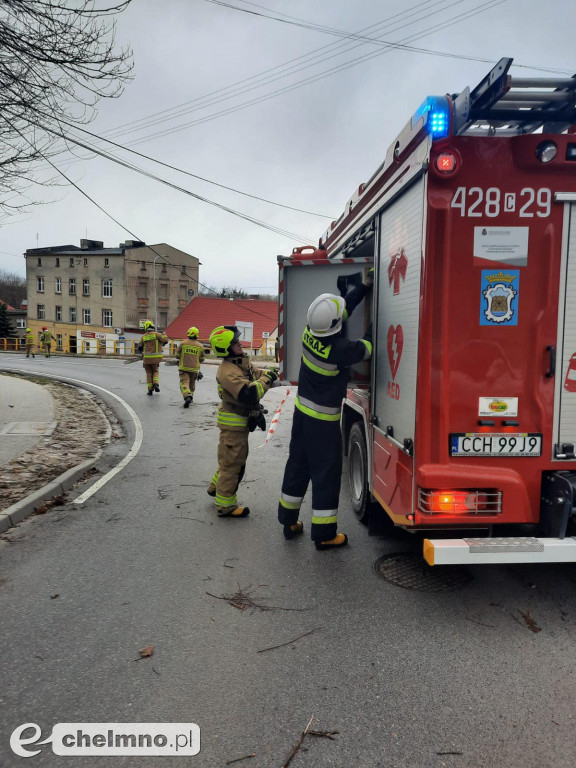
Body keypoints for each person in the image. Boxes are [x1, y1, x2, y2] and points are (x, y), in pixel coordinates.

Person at [277, 276, 373, 550]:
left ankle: (289, 521)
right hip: (323, 424)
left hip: (302, 417)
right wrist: (382, 313)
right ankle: (324, 534)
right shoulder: (341, 350)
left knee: (297, 465)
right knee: (326, 474)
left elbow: (340, 314)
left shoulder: (310, 332)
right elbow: (367, 345)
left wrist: (361, 290)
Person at [207, 325, 278, 518]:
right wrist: (267, 381)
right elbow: (249, 393)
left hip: (239, 423)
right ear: (226, 348)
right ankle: (225, 505)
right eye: (235, 342)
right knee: (233, 464)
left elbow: (256, 373)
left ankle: (215, 487)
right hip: (233, 424)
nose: (240, 343)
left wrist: (268, 375)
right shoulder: (227, 371)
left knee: (229, 459)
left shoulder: (239, 362)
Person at [176, 326, 205, 407]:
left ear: (188, 334)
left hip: (184, 368)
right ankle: (191, 396)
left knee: (184, 383)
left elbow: (177, 355)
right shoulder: (200, 346)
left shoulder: (183, 343)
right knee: (192, 384)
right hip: (194, 370)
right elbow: (202, 359)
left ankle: (187, 396)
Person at [138, 321, 169, 395]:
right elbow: (166, 340)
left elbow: (140, 347)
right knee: (155, 371)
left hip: (147, 359)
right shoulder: (157, 335)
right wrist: (163, 334)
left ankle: (150, 390)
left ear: (146, 327)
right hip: (156, 358)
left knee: (149, 373)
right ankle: (156, 384)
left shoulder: (143, 336)